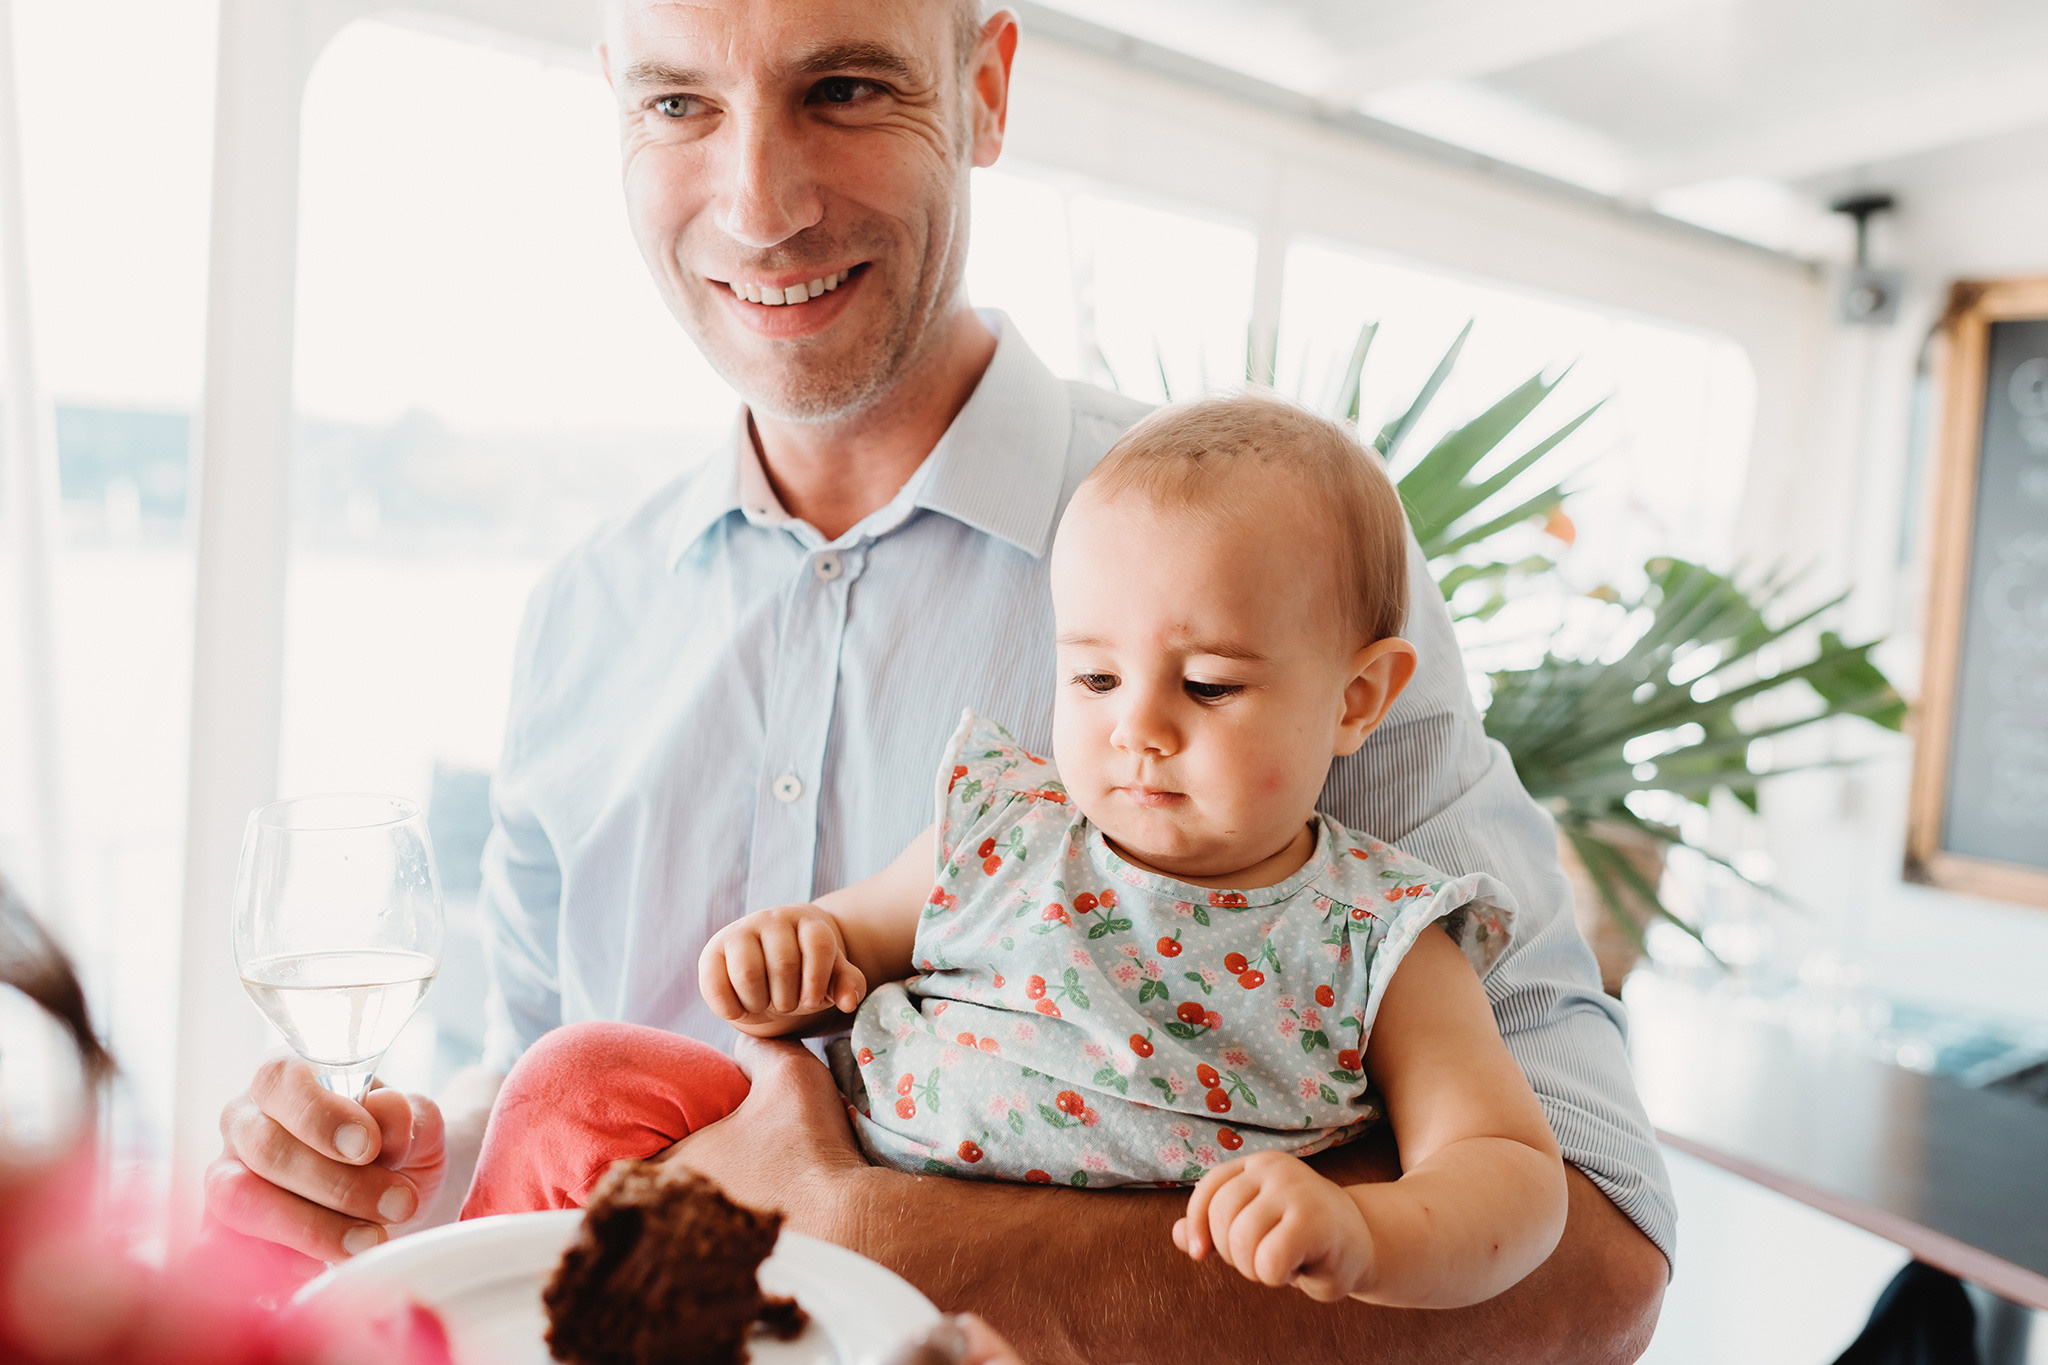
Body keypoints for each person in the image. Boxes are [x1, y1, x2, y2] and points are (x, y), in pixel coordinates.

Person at [210, 0, 1675, 1358]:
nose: (759, 205)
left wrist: (895, 1256)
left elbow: (1599, 1265)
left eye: (842, 87)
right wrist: (387, 1188)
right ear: (616, 107)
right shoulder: (575, 617)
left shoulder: (1274, 582)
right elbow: (531, 1093)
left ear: (984, 89)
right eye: (677, 104)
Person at [462, 393, 1570, 1311]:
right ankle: (460, 1320)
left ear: (1358, 697)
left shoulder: (1378, 936)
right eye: (1092, 677)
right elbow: (848, 936)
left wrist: (1363, 1232)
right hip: (816, 1160)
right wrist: (790, 953)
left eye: (1208, 685)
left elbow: (1512, 1177)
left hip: (1003, 1310)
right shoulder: (1001, 821)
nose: (1136, 726)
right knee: (574, 1078)